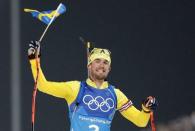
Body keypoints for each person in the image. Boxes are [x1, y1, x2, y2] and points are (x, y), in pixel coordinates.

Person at [28, 40, 157, 131]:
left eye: (106, 62)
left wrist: (146, 109)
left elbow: (140, 121)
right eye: (97, 61)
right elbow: (42, 86)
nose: (102, 65)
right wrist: (34, 60)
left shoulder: (116, 95)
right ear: (89, 65)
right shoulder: (75, 88)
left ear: (110, 68)